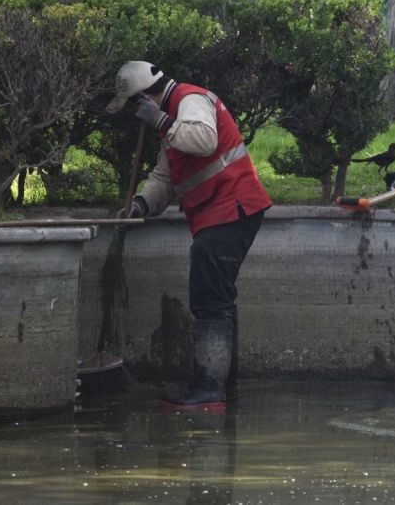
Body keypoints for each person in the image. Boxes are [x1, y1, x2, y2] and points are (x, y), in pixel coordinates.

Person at [106, 61, 272, 411]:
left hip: (230, 210)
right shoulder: (176, 117)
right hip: (225, 213)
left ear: (143, 98)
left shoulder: (189, 100)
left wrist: (160, 121)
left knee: (211, 302)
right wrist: (139, 206)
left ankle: (209, 392)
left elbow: (204, 140)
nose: (136, 116)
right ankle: (223, 389)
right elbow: (165, 179)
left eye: (134, 107)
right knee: (219, 301)